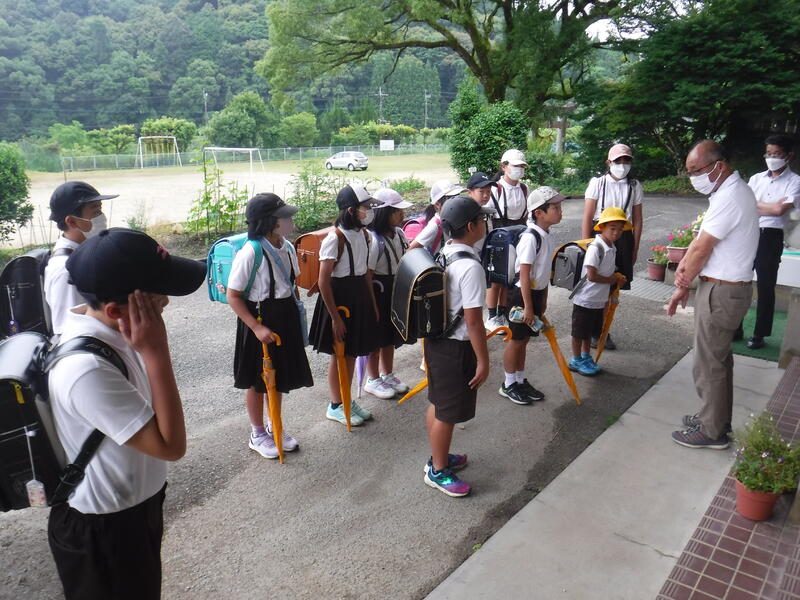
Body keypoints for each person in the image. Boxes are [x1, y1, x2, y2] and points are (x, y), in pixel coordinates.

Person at [47, 228, 206, 600]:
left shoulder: (116, 333)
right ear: (116, 310)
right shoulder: (85, 369)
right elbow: (170, 446)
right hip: (106, 530)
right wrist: (157, 352)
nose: (166, 301)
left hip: (136, 509)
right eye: (159, 294)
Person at [668, 140, 759, 450]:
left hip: (722, 290)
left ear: (719, 166)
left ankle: (712, 431)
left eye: (696, 170)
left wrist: (682, 281)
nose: (693, 177)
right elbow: (698, 242)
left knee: (709, 363)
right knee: (716, 360)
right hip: (722, 288)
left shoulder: (731, 196)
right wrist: (685, 281)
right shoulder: (728, 193)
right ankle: (715, 418)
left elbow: (702, 247)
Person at [227, 193, 313, 458]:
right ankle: (257, 433)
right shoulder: (251, 252)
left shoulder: (286, 247)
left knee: (277, 377)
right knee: (257, 379)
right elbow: (233, 295)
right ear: (269, 222)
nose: (290, 221)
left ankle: (275, 424)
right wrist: (256, 328)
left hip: (284, 317)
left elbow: (291, 283)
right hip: (260, 320)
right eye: (285, 217)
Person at [423, 195, 493, 497]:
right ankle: (438, 471)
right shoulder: (470, 267)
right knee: (447, 413)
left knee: (438, 403)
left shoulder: (445, 251)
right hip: (455, 348)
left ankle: (437, 456)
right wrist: (483, 361)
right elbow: (474, 321)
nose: (485, 223)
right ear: (471, 226)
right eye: (482, 219)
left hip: (436, 342)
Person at [309, 184, 383, 426]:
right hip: (339, 301)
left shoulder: (364, 235)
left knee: (351, 353)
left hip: (358, 296)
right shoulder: (335, 238)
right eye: (366, 207)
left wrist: (372, 305)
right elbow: (323, 281)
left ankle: (345, 398)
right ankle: (335, 404)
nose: (370, 211)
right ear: (351, 210)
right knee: (338, 354)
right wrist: (335, 318)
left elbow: (365, 275)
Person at [500, 186, 566, 405]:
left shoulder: (545, 234)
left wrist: (542, 301)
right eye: (555, 208)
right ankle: (508, 384)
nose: (560, 211)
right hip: (521, 296)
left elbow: (544, 272)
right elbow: (524, 275)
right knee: (516, 341)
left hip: (534, 295)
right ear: (539, 212)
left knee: (524, 340)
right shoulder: (530, 238)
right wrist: (528, 307)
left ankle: (520, 380)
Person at [580, 143, 643, 350]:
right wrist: (586, 245)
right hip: (599, 236)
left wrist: (634, 248)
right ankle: (591, 330)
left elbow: (638, 219)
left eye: (626, 160)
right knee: (595, 284)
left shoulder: (634, 185)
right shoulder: (598, 183)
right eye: (618, 161)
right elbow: (588, 216)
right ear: (609, 162)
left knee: (613, 287)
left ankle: (602, 330)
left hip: (624, 237)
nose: (622, 165)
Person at [741, 134, 800, 349]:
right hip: (748, 233)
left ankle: (759, 334)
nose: (772, 158)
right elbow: (745, 204)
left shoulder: (795, 181)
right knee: (740, 280)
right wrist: (770, 206)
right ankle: (735, 327)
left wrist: (759, 205)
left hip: (771, 236)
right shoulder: (756, 179)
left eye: (777, 154)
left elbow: (779, 211)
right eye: (768, 154)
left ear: (789, 156)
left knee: (766, 286)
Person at [44, 181, 116, 336]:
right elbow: (68, 331)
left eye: (101, 210)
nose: (102, 217)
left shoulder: (84, 253)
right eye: (96, 211)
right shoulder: (65, 271)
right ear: (72, 221)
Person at [363, 187, 414, 399]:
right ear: (384, 213)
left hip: (394, 289)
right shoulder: (374, 240)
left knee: (390, 336)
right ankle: (373, 379)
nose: (402, 214)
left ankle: (388, 374)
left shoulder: (399, 233)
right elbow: (368, 275)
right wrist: (372, 303)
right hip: (379, 291)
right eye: (397, 211)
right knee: (376, 338)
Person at [570, 207, 629, 377]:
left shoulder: (611, 246)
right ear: (601, 227)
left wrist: (616, 277)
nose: (616, 233)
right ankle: (576, 360)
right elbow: (591, 275)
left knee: (589, 332)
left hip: (598, 300)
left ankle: (585, 356)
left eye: (620, 229)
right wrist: (612, 280)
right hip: (585, 298)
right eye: (612, 228)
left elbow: (607, 270)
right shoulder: (596, 248)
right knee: (579, 332)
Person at [485, 149, 529, 330]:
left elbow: (527, 215)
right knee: (496, 279)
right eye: (516, 165)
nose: (519, 169)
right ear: (503, 167)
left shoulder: (524, 189)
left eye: (522, 166)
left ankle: (503, 314)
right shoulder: (495, 190)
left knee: (508, 279)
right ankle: (491, 317)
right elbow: (484, 214)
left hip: (519, 237)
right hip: (499, 240)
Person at [408, 179, 463, 255]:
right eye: (451, 199)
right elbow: (411, 249)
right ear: (437, 204)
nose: (457, 203)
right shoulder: (435, 225)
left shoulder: (454, 218)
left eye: (458, 197)